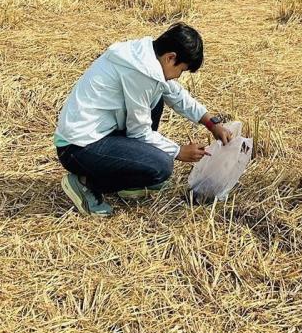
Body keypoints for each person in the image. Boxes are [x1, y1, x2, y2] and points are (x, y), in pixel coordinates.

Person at [54, 23, 233, 216]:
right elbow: (139, 132)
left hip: (95, 135)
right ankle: (85, 185)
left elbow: (176, 95)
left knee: (156, 99)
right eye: (181, 70)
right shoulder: (141, 72)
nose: (178, 76)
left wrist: (210, 122)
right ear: (170, 57)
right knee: (161, 166)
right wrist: (178, 151)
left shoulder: (147, 55)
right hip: (77, 148)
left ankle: (130, 179)